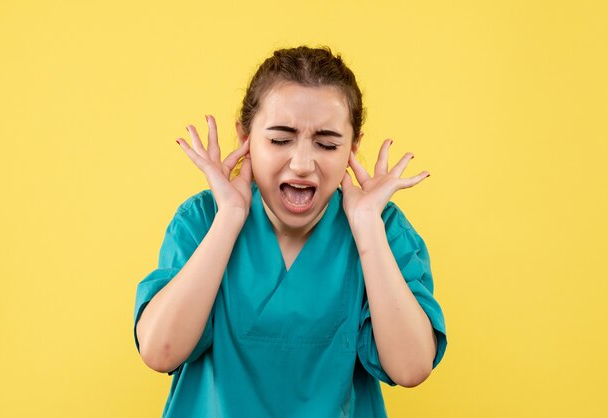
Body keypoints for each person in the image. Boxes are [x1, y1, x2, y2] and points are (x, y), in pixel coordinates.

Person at [133, 46, 447, 418]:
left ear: (353, 147)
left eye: (327, 144)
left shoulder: (383, 227)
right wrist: (230, 218)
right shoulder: (203, 219)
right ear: (245, 138)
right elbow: (158, 351)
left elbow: (411, 368)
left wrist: (368, 229)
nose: (301, 164)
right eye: (280, 140)